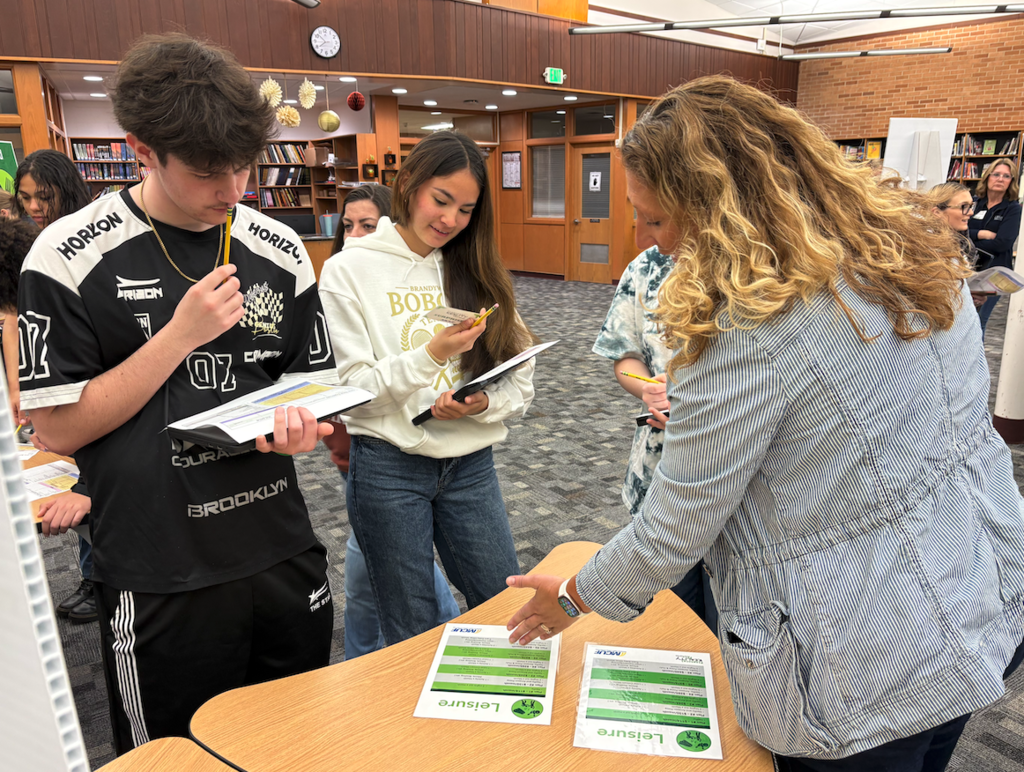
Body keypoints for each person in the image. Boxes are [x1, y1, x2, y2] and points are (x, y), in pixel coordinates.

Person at [506, 76, 1024, 771]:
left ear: (715, 208)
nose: (647, 241)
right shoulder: (912, 255)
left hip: (856, 658)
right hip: (971, 596)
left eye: (657, 220)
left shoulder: (749, 327)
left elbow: (676, 522)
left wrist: (573, 596)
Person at [17, 33, 338, 754]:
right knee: (172, 755)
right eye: (206, 174)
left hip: (279, 551)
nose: (232, 193)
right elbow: (57, 431)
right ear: (142, 149)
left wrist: (305, 423)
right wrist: (177, 336)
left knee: (295, 744)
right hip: (159, 570)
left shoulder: (278, 246)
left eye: (243, 169)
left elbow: (311, 385)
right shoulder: (68, 255)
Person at [319, 130, 537, 646]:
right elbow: (352, 392)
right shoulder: (348, 269)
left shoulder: (472, 264)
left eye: (466, 209)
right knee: (411, 624)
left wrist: (486, 403)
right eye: (441, 200)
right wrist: (433, 355)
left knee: (505, 601)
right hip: (388, 465)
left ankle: (513, 718)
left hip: (470, 464)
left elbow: (520, 373)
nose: (450, 220)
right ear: (410, 183)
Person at [322, 183, 460, 659]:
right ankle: (372, 659)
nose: (356, 235)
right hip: (362, 447)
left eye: (368, 225)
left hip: (407, 446)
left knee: (382, 573)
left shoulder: (417, 278)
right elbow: (352, 385)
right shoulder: (341, 278)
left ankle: (370, 659)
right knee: (385, 573)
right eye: (348, 226)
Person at [592, 244, 717, 633]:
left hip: (731, 475)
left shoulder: (753, 264)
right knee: (677, 619)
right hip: (660, 472)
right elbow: (625, 357)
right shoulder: (647, 266)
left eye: (658, 220)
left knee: (731, 622)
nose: (650, 234)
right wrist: (649, 389)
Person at [8, 149, 96, 621]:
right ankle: (94, 575)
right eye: (26, 198)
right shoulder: (29, 243)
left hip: (88, 381)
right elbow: (18, 320)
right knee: (66, 471)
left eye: (44, 195)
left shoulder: (86, 240)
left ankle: (99, 579)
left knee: (93, 478)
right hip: (56, 378)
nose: (35, 206)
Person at [968, 158, 1022, 335]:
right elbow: (958, 233)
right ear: (987, 177)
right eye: (996, 174)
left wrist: (971, 238)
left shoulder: (1013, 209)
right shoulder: (973, 202)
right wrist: (981, 234)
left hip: (994, 273)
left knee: (978, 322)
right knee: (964, 320)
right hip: (968, 269)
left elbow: (1003, 243)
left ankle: (978, 362)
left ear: (1011, 182)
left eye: (1007, 176)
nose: (1000, 179)